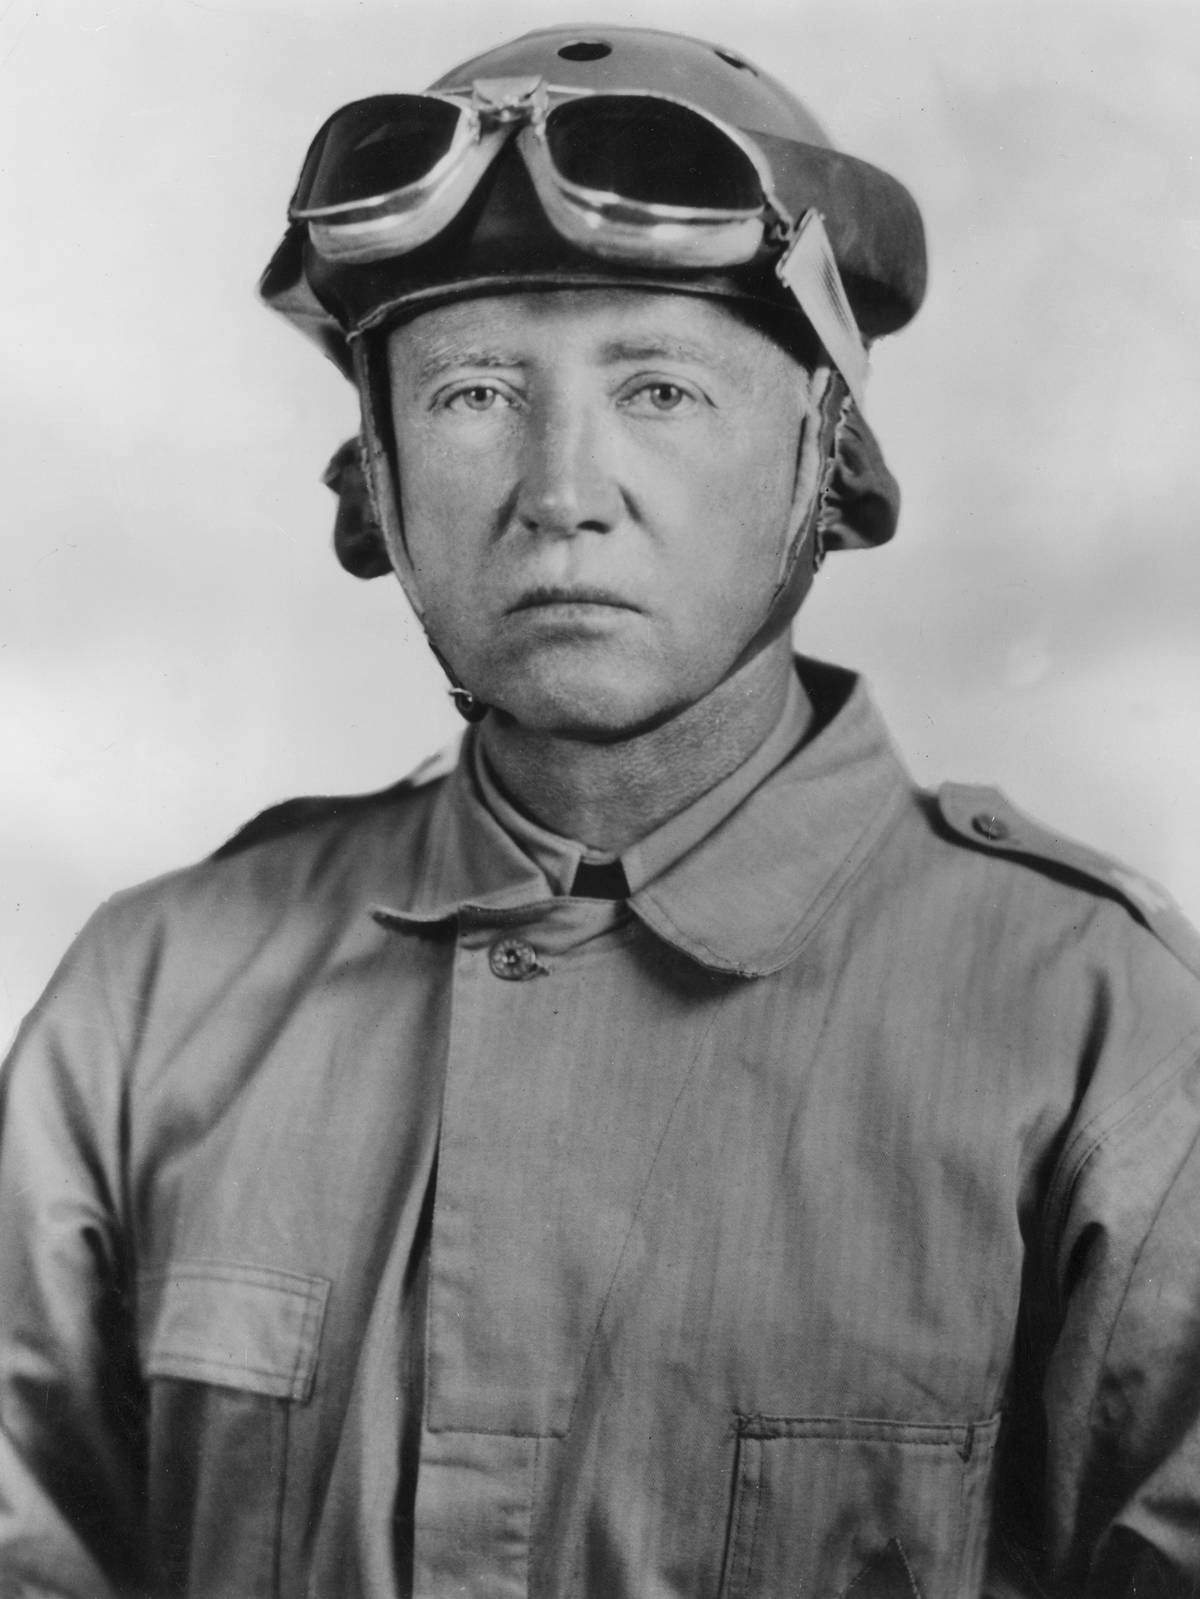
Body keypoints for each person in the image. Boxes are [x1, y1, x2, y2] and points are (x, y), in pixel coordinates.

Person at [1, 22, 1198, 1599]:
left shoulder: (1093, 1026)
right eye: (475, 390)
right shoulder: (154, 1000)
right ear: (371, 477)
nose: (564, 488)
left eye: (662, 388)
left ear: (829, 463)